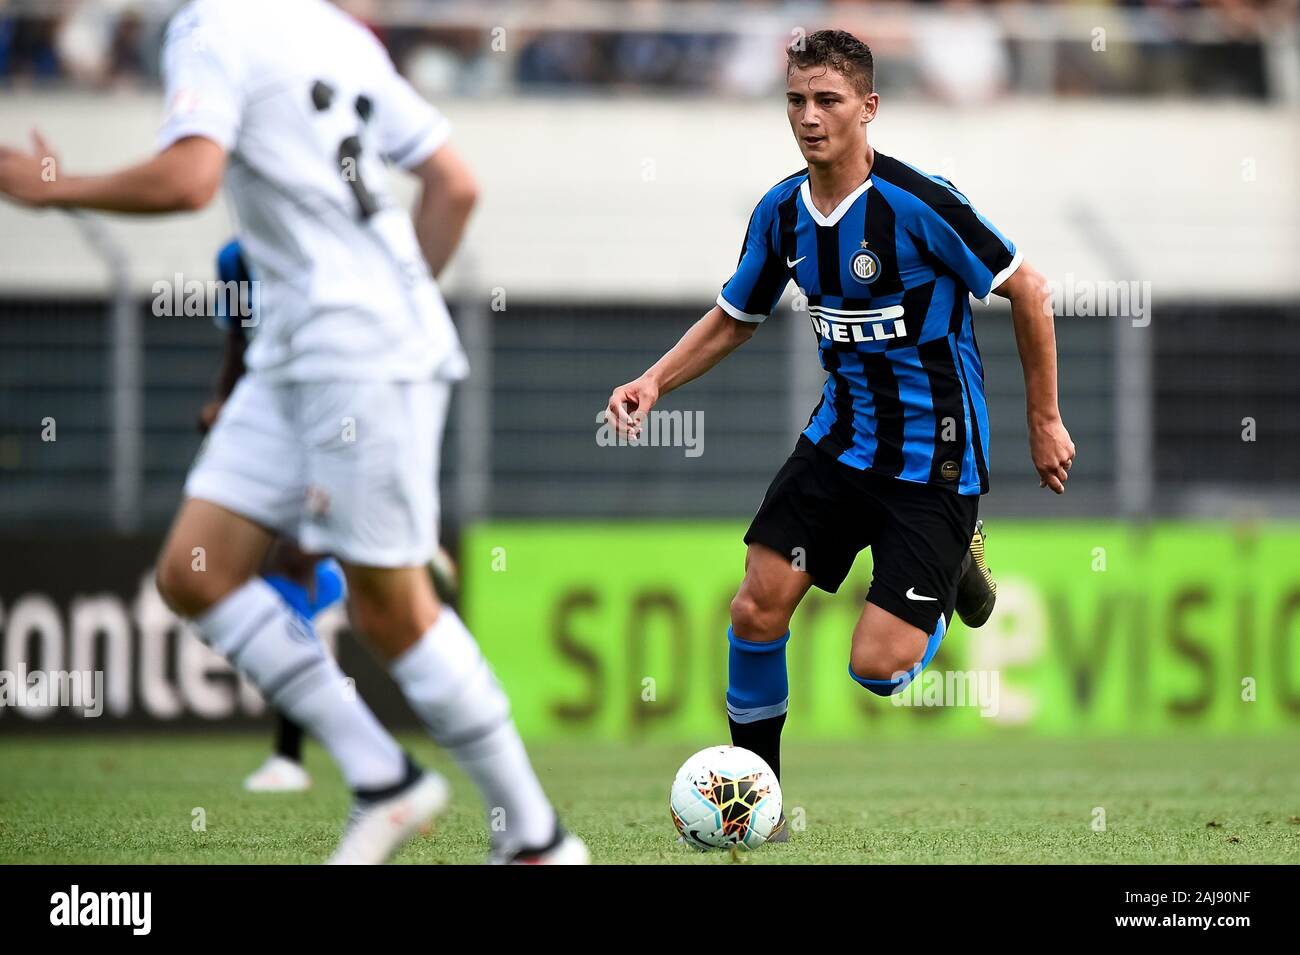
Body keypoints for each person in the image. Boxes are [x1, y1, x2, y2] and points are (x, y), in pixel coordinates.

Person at [0, 0, 585, 864]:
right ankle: (383, 778)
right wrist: (392, 296)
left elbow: (191, 179)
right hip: (301, 349)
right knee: (196, 571)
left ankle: (535, 837)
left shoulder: (211, 28)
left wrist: (56, 188)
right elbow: (455, 183)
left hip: (350, 349)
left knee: (393, 612)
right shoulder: (334, 31)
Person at [604, 29, 1073, 841]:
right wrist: (653, 379)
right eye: (795, 100)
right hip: (839, 443)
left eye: (827, 101)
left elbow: (1027, 289)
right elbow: (735, 318)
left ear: (868, 107)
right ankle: (761, 807)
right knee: (756, 605)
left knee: (877, 669)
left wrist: (1044, 420)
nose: (809, 117)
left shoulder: (918, 203)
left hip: (934, 459)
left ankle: (960, 564)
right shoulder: (783, 211)